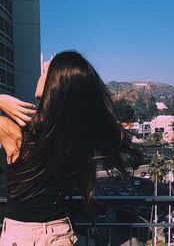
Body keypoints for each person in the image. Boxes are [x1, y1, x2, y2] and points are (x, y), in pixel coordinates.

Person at [0, 51, 140, 245]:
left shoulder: (16, 133)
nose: (41, 75)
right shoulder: (79, 139)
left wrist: (1, 100)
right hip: (61, 233)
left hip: (22, 235)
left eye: (46, 70)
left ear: (53, 83)